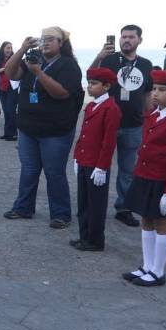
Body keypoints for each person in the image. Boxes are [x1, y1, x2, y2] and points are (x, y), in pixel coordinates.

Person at [3, 27, 84, 228]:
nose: (45, 42)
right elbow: (10, 73)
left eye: (50, 39)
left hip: (56, 131)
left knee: (54, 172)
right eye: (43, 39)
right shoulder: (32, 60)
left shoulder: (69, 66)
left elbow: (61, 93)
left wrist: (38, 72)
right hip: (28, 128)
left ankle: (61, 214)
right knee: (29, 170)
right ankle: (23, 208)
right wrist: (21, 49)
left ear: (61, 43)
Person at [91, 25, 154, 228]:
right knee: (100, 165)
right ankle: (95, 204)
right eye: (123, 37)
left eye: (131, 37)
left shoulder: (146, 64)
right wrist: (99, 57)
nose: (126, 40)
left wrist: (150, 118)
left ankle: (123, 208)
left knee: (128, 169)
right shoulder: (109, 60)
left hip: (134, 124)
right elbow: (90, 78)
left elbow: (146, 93)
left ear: (139, 40)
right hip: (107, 122)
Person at [122, 70, 166, 287]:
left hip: (162, 180)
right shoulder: (154, 114)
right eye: (154, 89)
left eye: (163, 90)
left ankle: (158, 271)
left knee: (161, 222)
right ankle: (147, 265)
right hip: (145, 175)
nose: (155, 94)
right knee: (145, 219)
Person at [71, 68, 122, 252]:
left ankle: (95, 240)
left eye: (94, 84)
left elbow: (108, 141)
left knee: (96, 205)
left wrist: (102, 167)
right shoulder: (92, 106)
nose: (89, 87)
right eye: (89, 82)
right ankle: (84, 236)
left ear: (106, 86)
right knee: (83, 202)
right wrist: (77, 157)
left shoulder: (111, 108)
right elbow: (83, 134)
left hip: (96, 165)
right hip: (85, 160)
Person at [0, 41, 17, 140]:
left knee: (11, 110)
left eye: (10, 48)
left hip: (12, 88)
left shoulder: (15, 59)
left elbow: (17, 70)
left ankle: (13, 133)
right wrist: (2, 69)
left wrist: (3, 69)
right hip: (1, 88)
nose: (9, 50)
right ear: (3, 49)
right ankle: (7, 133)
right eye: (7, 48)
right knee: (6, 111)